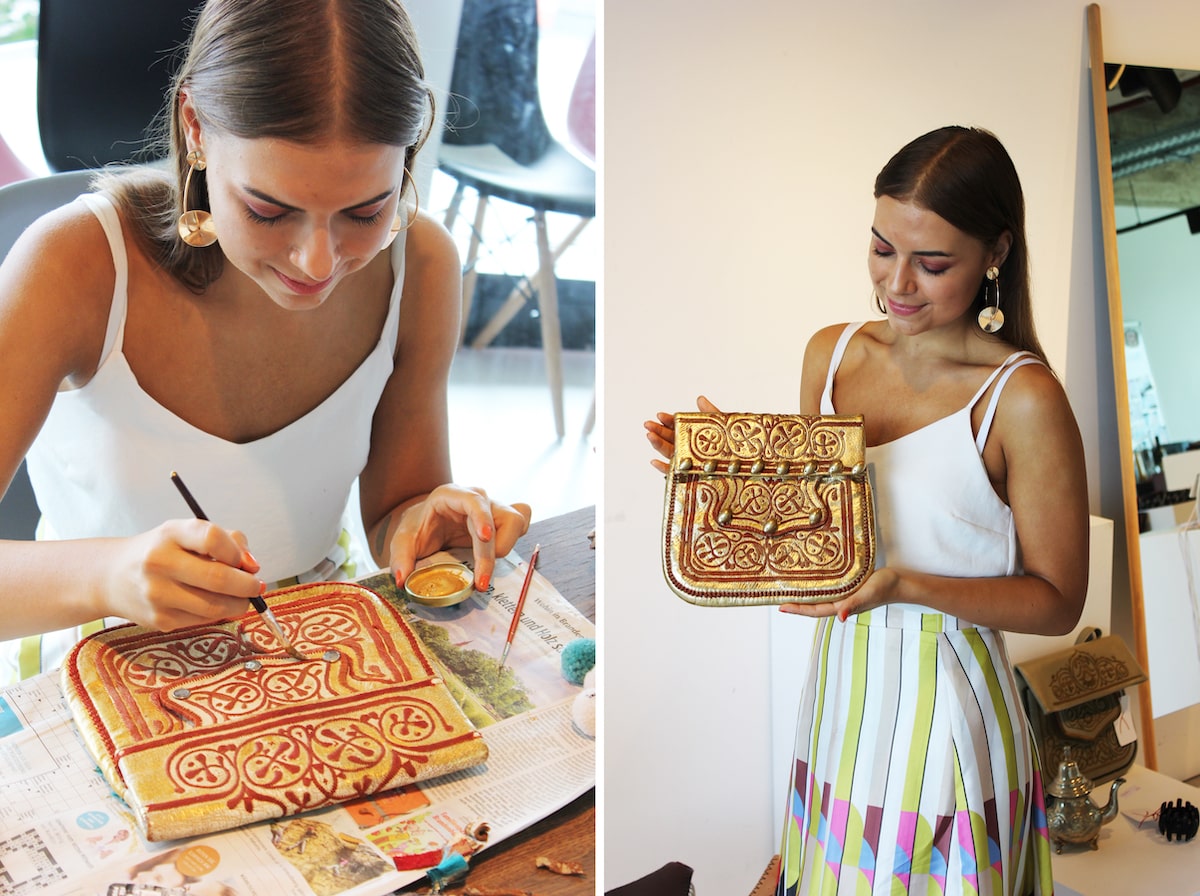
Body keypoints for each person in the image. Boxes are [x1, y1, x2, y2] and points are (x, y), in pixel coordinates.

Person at [0, 0, 530, 681]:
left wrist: (426, 524)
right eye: (268, 210)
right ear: (195, 128)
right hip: (100, 664)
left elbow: (397, 512)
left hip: (307, 648)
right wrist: (110, 575)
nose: (318, 263)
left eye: (366, 212)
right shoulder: (74, 266)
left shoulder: (419, 266)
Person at [646, 126, 1089, 895]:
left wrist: (903, 584)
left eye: (934, 262)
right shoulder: (831, 352)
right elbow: (819, 542)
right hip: (840, 697)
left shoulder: (1022, 398)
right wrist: (727, 478)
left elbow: (1057, 604)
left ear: (996, 254)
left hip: (948, 707)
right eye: (883, 248)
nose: (899, 283)